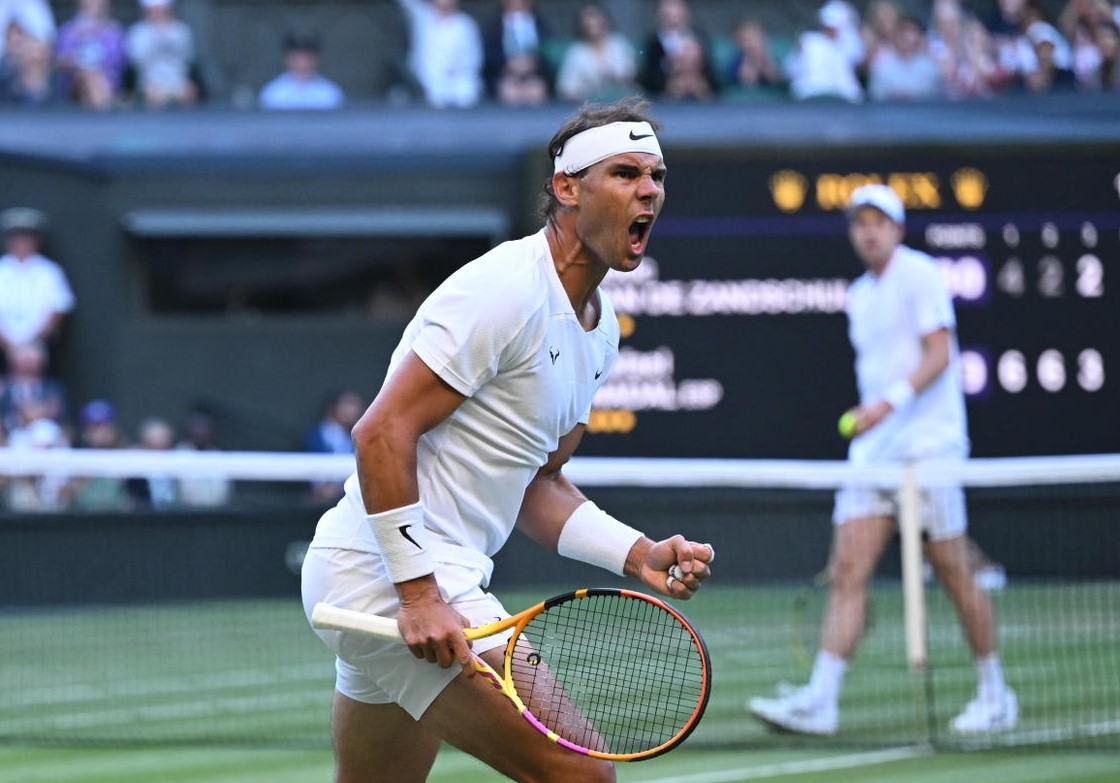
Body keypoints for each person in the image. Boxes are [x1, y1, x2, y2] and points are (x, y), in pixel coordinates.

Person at [301, 97, 715, 783]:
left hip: (414, 578)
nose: (649, 190)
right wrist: (418, 594)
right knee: (583, 776)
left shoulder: (601, 331)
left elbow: (537, 481)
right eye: (625, 173)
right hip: (385, 577)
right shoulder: (504, 290)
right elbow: (380, 431)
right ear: (566, 188)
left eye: (656, 176)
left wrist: (636, 552)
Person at [748, 184, 1017, 737]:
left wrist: (885, 405)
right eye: (860, 223)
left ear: (896, 229)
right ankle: (821, 701)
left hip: (928, 449)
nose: (868, 232)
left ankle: (995, 694)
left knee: (953, 571)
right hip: (874, 453)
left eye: (878, 222)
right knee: (848, 570)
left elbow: (939, 354)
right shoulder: (860, 294)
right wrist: (877, 418)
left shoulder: (919, 274)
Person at [0, 207, 75, 372]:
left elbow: (58, 308)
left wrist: (32, 343)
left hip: (38, 349)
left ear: (36, 241)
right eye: (16, 238)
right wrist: (7, 344)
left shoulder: (49, 271)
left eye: (26, 238)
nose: (21, 243)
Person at [394, 0, 484, 108]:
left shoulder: (465, 24)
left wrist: (459, 68)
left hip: (460, 82)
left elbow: (474, 56)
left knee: (467, 95)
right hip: (428, 83)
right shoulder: (423, 19)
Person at [555, 4, 638, 103]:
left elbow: (629, 73)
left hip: (621, 102)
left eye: (598, 25)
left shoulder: (618, 44)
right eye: (589, 26)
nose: (595, 30)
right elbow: (566, 88)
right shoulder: (575, 52)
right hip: (587, 105)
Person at [124, 0, 199, 108]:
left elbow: (187, 59)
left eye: (161, 9)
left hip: (178, 81)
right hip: (150, 83)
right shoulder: (138, 32)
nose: (158, 13)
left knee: (189, 91)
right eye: (154, 9)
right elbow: (136, 62)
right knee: (153, 94)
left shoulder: (181, 30)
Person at [54, 0, 127, 109]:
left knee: (95, 80)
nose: (94, 3)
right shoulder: (69, 30)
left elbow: (117, 61)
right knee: (89, 79)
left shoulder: (114, 31)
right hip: (76, 82)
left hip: (108, 82)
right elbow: (61, 61)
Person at [302, 388, 365, 504]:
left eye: (356, 405)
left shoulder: (356, 438)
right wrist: (321, 486)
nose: (354, 410)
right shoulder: (314, 437)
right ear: (333, 407)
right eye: (348, 404)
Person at [258, 30, 344, 110]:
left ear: (316, 59)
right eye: (296, 57)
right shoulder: (273, 93)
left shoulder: (329, 93)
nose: (302, 62)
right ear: (287, 59)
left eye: (307, 57)